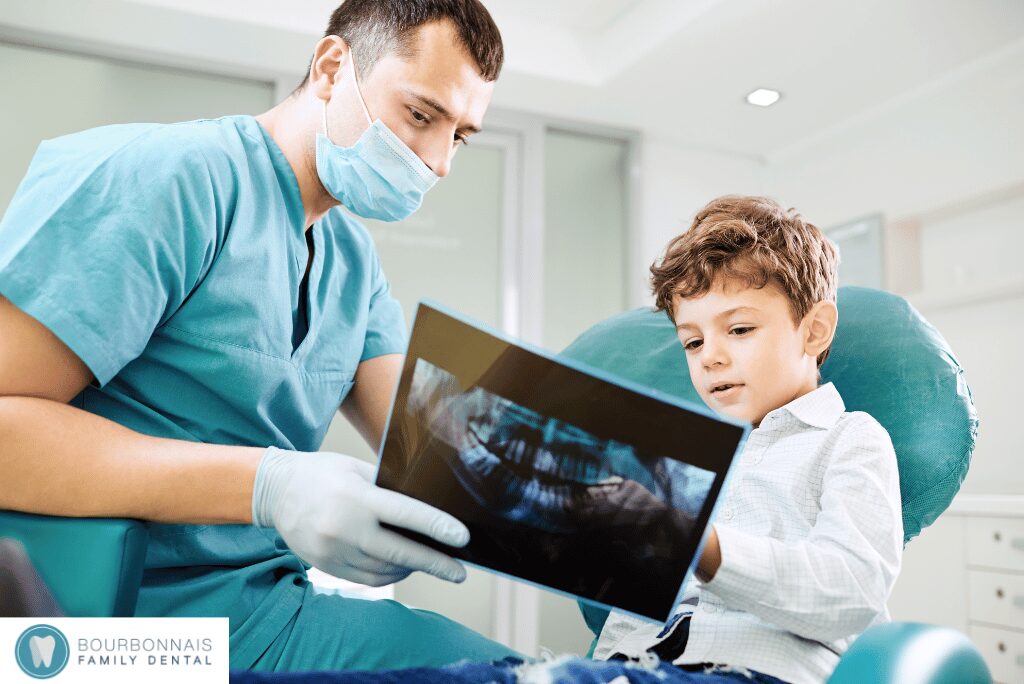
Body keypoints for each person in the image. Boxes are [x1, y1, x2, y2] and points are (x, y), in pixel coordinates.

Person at [0, 0, 521, 673]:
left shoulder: (350, 261)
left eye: (460, 136)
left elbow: (450, 449)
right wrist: (268, 484)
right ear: (333, 67)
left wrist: (683, 548)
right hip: (103, 629)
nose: (438, 162)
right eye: (422, 116)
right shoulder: (168, 178)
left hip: (261, 613)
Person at [591, 196, 903, 684]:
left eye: (738, 328)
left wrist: (705, 547)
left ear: (814, 330)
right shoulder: (687, 460)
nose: (709, 357)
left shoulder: (850, 439)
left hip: (759, 672)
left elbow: (854, 591)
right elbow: (631, 614)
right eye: (692, 341)